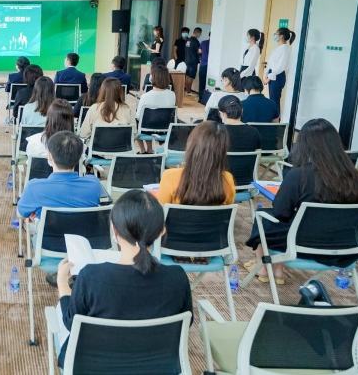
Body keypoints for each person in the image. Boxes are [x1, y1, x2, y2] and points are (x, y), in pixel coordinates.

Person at [55, 190, 192, 368]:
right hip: (157, 366)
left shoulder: (90, 276)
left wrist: (62, 284)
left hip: (94, 366)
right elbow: (186, 323)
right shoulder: (178, 277)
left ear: (115, 230)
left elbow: (71, 323)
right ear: (161, 231)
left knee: (59, 312)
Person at [245, 118, 358, 283]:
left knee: (263, 217)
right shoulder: (355, 177)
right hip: (347, 247)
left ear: (303, 145)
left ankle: (264, 268)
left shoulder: (299, 175)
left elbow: (280, 213)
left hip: (305, 244)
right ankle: (276, 270)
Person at [17, 131, 103, 221]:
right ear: (79, 157)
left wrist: (37, 212)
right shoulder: (94, 184)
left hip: (48, 230)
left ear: (50, 156)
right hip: (84, 230)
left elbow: (20, 214)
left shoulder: (34, 188)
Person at [155, 121, 236, 206]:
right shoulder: (228, 179)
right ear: (223, 151)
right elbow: (227, 207)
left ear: (191, 145)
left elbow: (161, 209)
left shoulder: (169, 176)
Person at [135, 65, 176, 154]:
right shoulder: (172, 95)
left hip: (146, 130)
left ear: (152, 78)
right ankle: (149, 149)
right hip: (165, 129)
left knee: (139, 118)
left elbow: (138, 116)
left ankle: (143, 150)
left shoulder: (145, 96)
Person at [78, 77, 133, 142]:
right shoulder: (127, 109)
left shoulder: (94, 108)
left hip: (96, 147)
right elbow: (133, 133)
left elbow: (84, 134)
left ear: (102, 91)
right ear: (120, 91)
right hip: (122, 147)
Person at [263, 27, 295, 108]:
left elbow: (280, 67)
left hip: (277, 76)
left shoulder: (285, 49)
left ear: (281, 36)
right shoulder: (278, 48)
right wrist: (266, 74)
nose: (274, 36)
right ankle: (273, 115)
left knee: (274, 101)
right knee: (272, 99)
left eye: (275, 34)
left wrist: (269, 77)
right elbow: (271, 63)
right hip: (272, 75)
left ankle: (276, 116)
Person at [184, 27, 202, 94]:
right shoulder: (195, 41)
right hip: (193, 61)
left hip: (187, 60)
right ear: (198, 33)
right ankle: (189, 91)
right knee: (191, 77)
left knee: (187, 76)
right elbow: (199, 51)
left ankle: (186, 90)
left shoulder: (188, 40)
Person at [198, 32, 210, 96]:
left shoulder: (203, 42)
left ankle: (201, 96)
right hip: (211, 65)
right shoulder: (215, 43)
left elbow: (199, 51)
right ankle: (207, 96)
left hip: (203, 64)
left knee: (202, 82)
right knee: (209, 82)